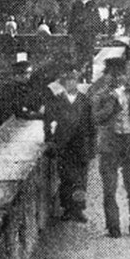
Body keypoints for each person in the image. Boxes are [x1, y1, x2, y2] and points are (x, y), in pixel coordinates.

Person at [92, 56, 130, 238]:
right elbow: (96, 119)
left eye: (121, 74)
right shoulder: (100, 95)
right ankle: (114, 227)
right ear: (108, 76)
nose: (119, 77)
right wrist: (112, 105)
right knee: (110, 189)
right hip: (110, 145)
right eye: (114, 74)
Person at [44, 63, 94, 222]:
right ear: (64, 83)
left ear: (77, 82)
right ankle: (67, 208)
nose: (71, 83)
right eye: (68, 81)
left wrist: (92, 147)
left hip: (81, 146)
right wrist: (50, 141)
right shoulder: (57, 100)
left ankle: (78, 210)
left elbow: (92, 126)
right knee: (65, 178)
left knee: (80, 180)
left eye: (73, 80)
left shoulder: (85, 101)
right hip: (64, 145)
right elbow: (48, 122)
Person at [68, 0, 103, 83]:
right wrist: (70, 32)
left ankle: (88, 77)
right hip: (78, 35)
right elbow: (71, 19)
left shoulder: (92, 5)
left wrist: (97, 32)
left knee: (88, 57)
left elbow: (97, 20)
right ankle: (79, 78)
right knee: (79, 57)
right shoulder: (76, 5)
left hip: (89, 35)